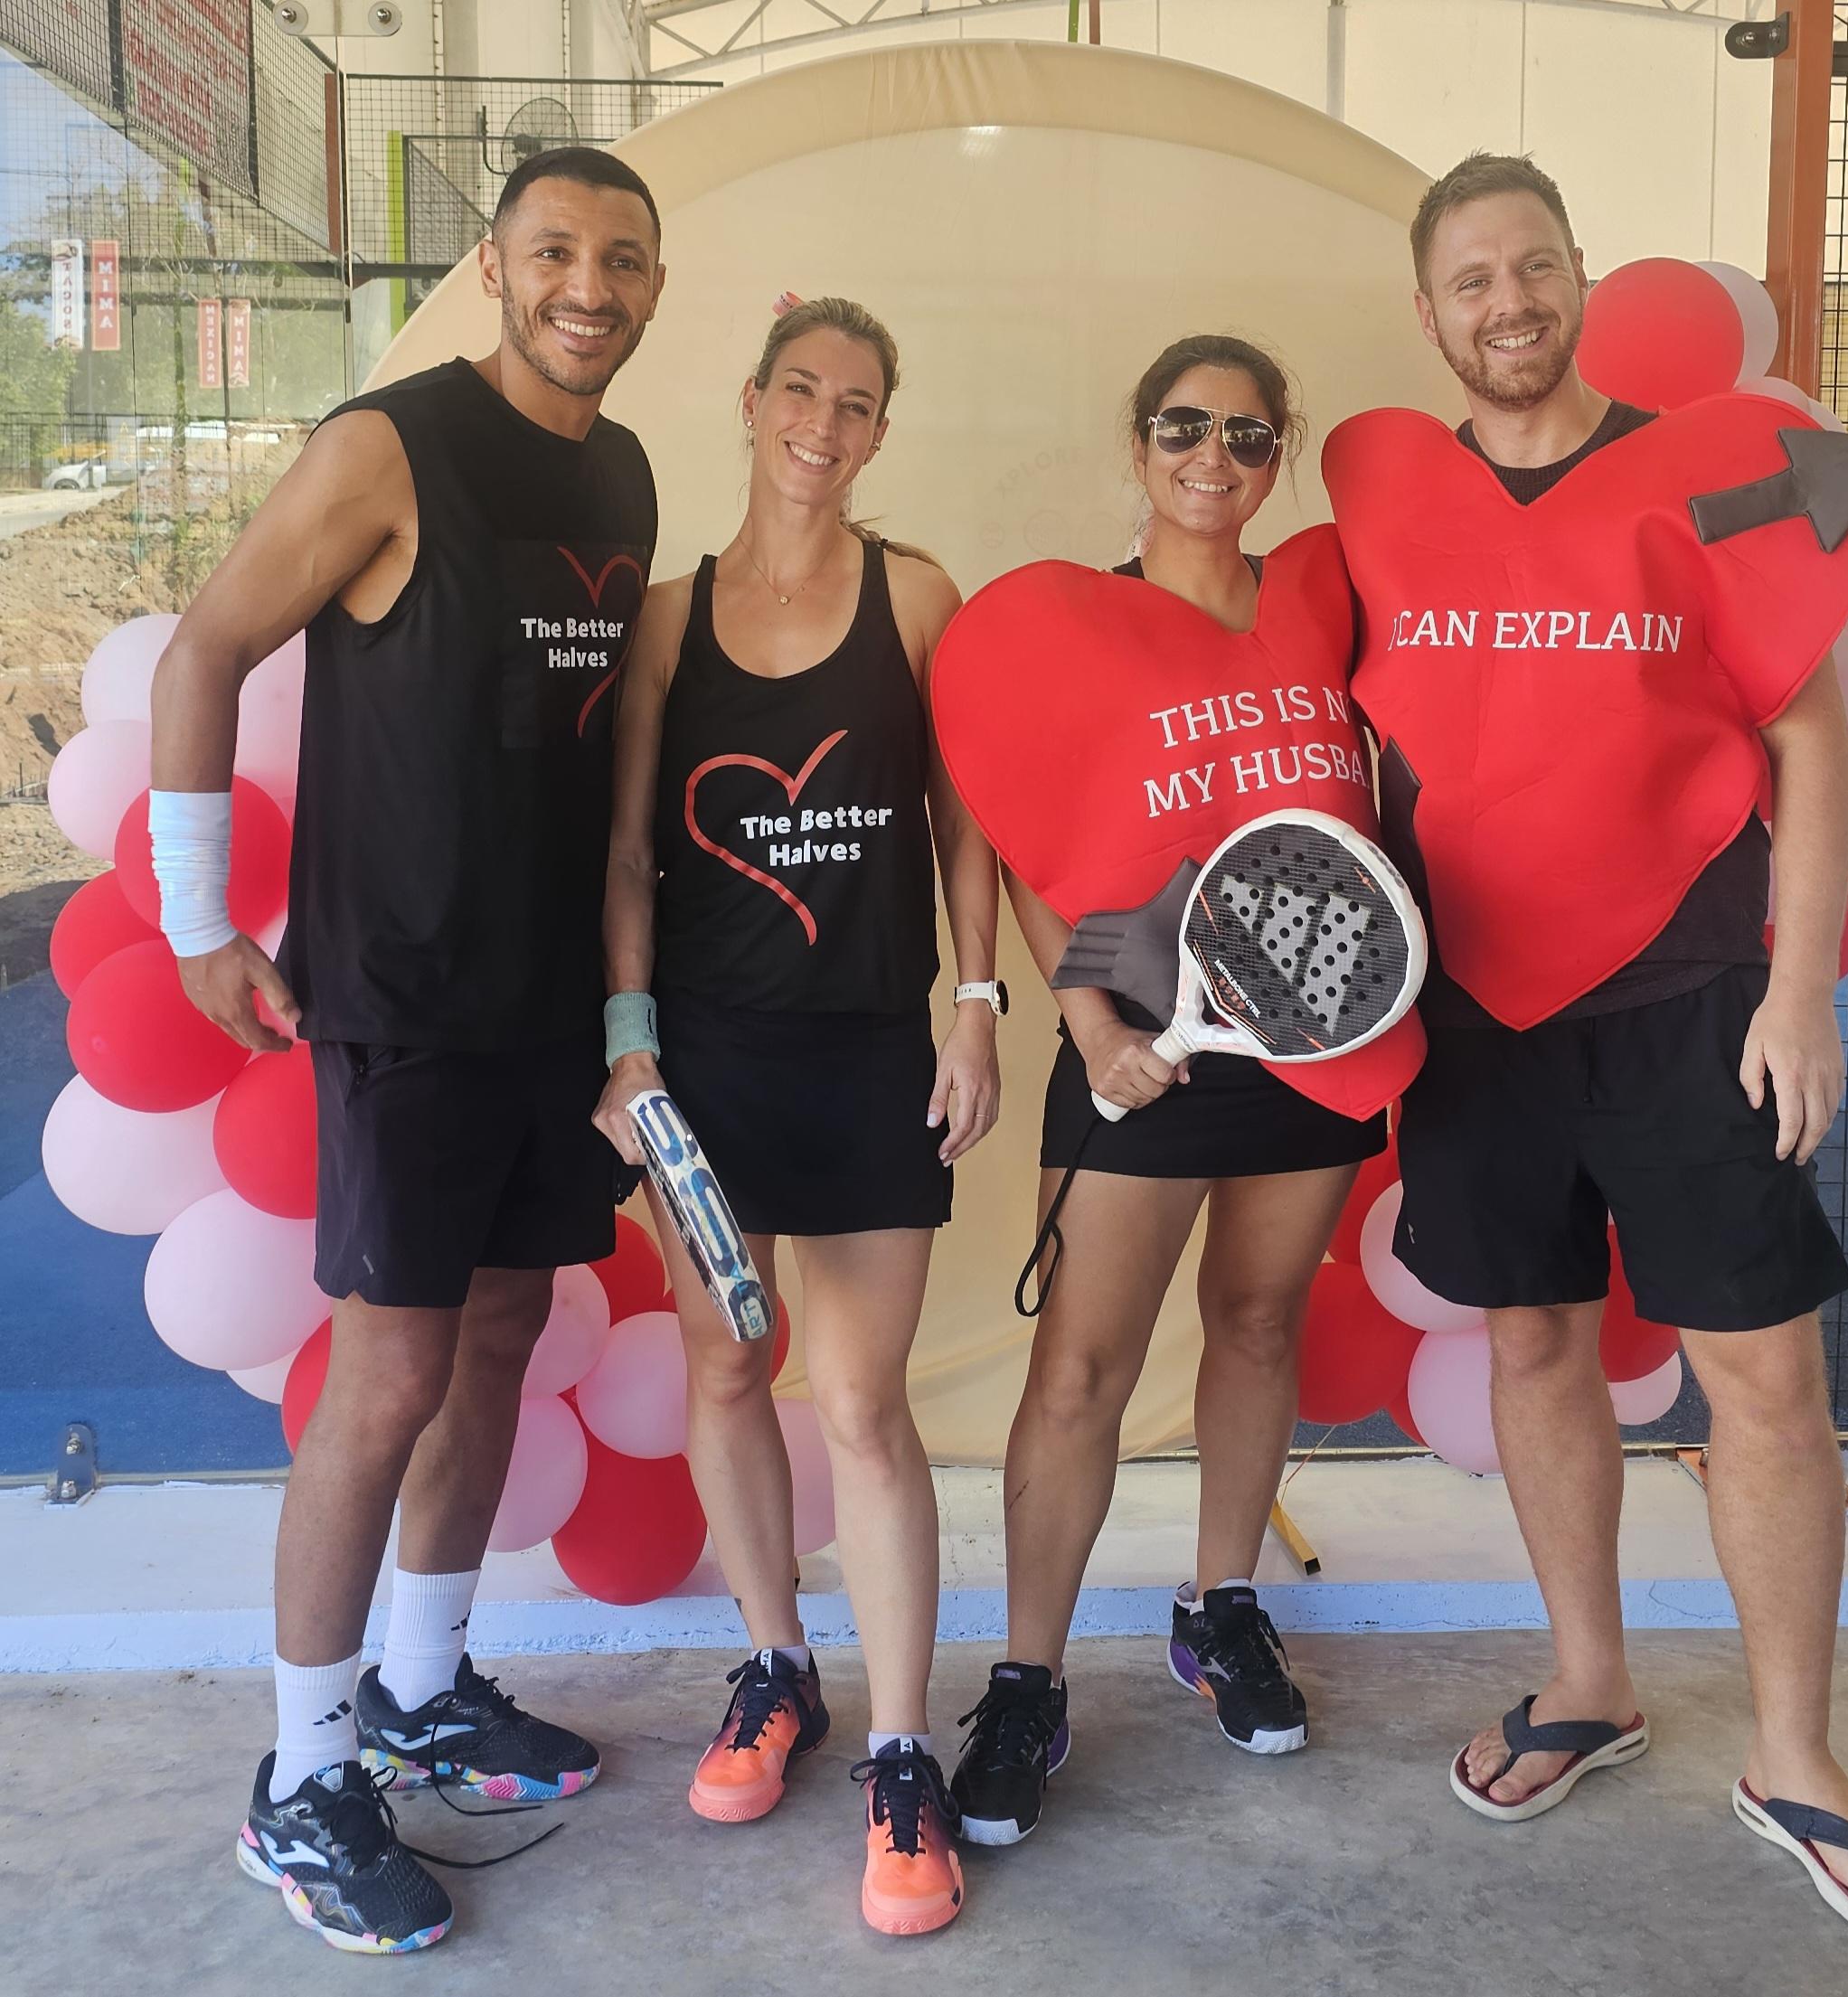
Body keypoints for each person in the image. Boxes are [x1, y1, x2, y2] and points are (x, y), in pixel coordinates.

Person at [1328, 153, 1848, 1942]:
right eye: (1470, 279)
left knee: (1766, 1382)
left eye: (1534, 266)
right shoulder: (1378, 492)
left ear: (1580, 278)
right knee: (1534, 1340)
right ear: (1428, 312)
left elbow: (1802, 729)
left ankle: (1795, 1757)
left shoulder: (1711, 478)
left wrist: (1799, 989)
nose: (1507, 302)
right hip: (1474, 1015)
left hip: (1693, 1005)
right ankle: (1588, 1681)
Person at [150, 147, 664, 1955]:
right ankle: (300, 1784)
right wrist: (198, 920)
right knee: (385, 1382)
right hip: (404, 1006)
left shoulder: (623, 469)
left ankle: (426, 1690)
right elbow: (206, 650)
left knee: (503, 1335)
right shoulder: (390, 445)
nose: (589, 286)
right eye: (555, 251)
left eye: (623, 258)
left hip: (547, 1016)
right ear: (495, 269)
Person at [942, 337, 1400, 1849]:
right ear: (1139, 442)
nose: (1216, 456)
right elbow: (1018, 828)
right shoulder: (1068, 623)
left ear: (1282, 451)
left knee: (1259, 1321)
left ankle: (1221, 1606)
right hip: (1140, 1037)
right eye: (1185, 427)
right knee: (1081, 1368)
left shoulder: (1329, 596)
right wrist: (1084, 1024)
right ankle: (1027, 1679)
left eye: (1249, 434)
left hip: (1314, 1036)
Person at [591, 295, 1001, 1938]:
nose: (825, 425)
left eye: (859, 401)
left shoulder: (918, 597)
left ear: (882, 428)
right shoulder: (669, 617)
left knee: (865, 1402)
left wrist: (978, 1005)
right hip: (702, 1068)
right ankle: (777, 1667)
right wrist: (631, 1047)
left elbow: (965, 819)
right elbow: (630, 846)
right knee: (725, 1363)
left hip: (870, 1052)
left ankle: (902, 1751)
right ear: (754, 402)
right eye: (804, 392)